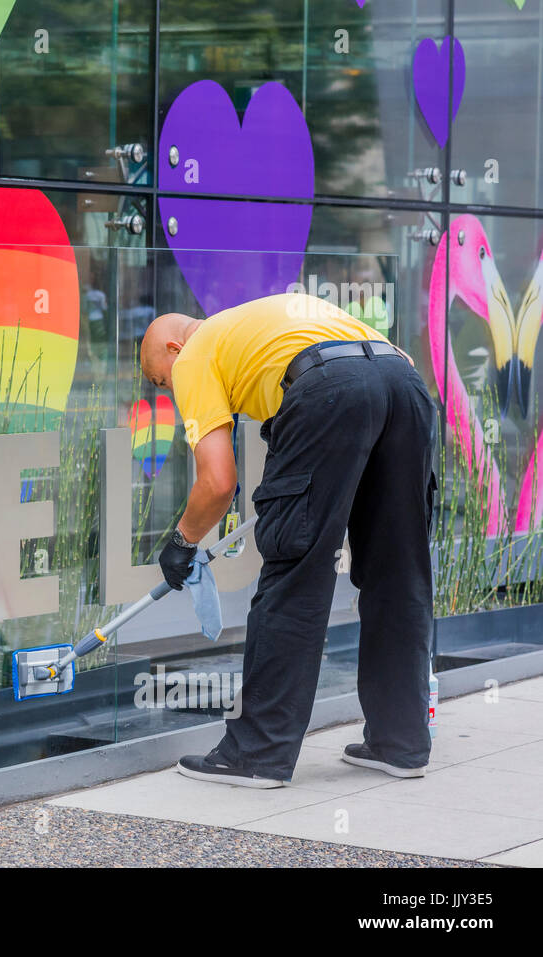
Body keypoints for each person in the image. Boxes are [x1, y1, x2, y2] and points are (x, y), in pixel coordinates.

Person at [140, 292, 438, 787]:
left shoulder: (194, 354)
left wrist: (183, 542)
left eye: (160, 382)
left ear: (172, 348)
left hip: (328, 388)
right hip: (403, 385)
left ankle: (256, 755)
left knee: (295, 571)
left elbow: (217, 481)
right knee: (398, 571)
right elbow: (397, 361)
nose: (169, 390)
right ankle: (401, 744)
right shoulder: (266, 318)